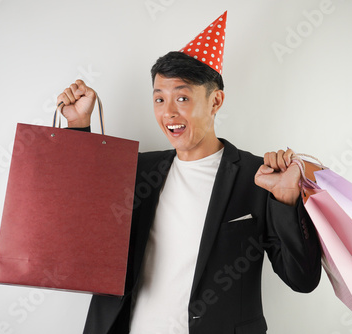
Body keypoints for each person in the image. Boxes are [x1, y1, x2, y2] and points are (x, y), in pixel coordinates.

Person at [57, 11, 321, 334]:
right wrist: (77, 126)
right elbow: (76, 211)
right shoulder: (139, 170)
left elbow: (303, 279)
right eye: (159, 99)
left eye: (182, 97)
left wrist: (287, 200)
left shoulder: (258, 177)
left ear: (215, 101)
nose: (169, 113)